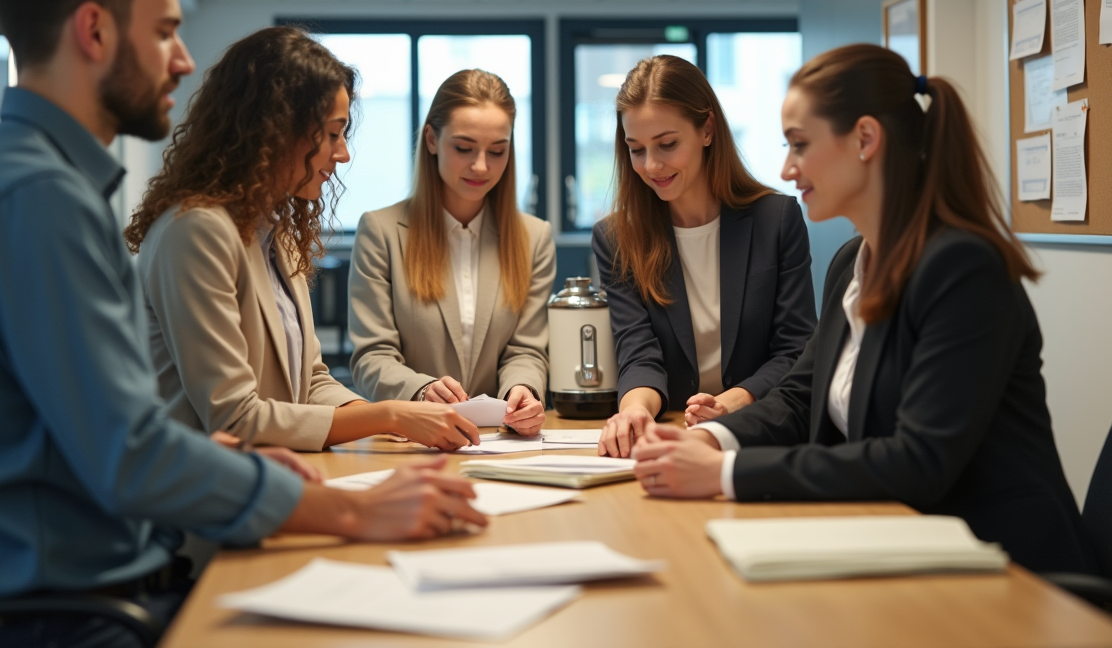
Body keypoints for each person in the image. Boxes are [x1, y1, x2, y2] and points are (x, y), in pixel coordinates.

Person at [0, 0, 484, 642]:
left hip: (85, 590)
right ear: (93, 31)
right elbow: (131, 455)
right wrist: (350, 507)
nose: (183, 60)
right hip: (68, 619)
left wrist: (217, 459)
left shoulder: (32, 181)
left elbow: (113, 428)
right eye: (166, 32)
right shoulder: (38, 199)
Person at [631, 44, 1096, 575]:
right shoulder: (853, 261)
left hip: (1010, 573)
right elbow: (801, 396)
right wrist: (706, 438)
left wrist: (725, 472)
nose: (787, 169)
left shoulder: (963, 268)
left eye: (800, 145)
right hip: (901, 545)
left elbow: (918, 461)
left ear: (866, 140)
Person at [126, 27, 484, 453]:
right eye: (332, 133)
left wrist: (397, 420)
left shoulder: (276, 232)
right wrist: (389, 414)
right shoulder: (195, 232)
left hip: (273, 477)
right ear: (276, 130)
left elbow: (310, 380)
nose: (343, 153)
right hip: (200, 500)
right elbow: (234, 417)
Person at [593, 55, 817, 457]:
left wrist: (734, 400)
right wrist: (634, 411)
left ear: (707, 129)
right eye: (636, 149)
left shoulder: (776, 220)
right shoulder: (616, 237)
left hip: (760, 437)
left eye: (667, 144)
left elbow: (796, 349)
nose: (652, 165)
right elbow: (638, 351)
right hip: (672, 439)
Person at [349, 69, 554, 435]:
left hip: (500, 440)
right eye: (464, 148)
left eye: (497, 151)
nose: (481, 166)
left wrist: (521, 390)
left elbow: (527, 349)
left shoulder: (534, 238)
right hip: (413, 439)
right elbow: (372, 356)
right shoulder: (380, 232)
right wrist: (421, 390)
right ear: (431, 139)